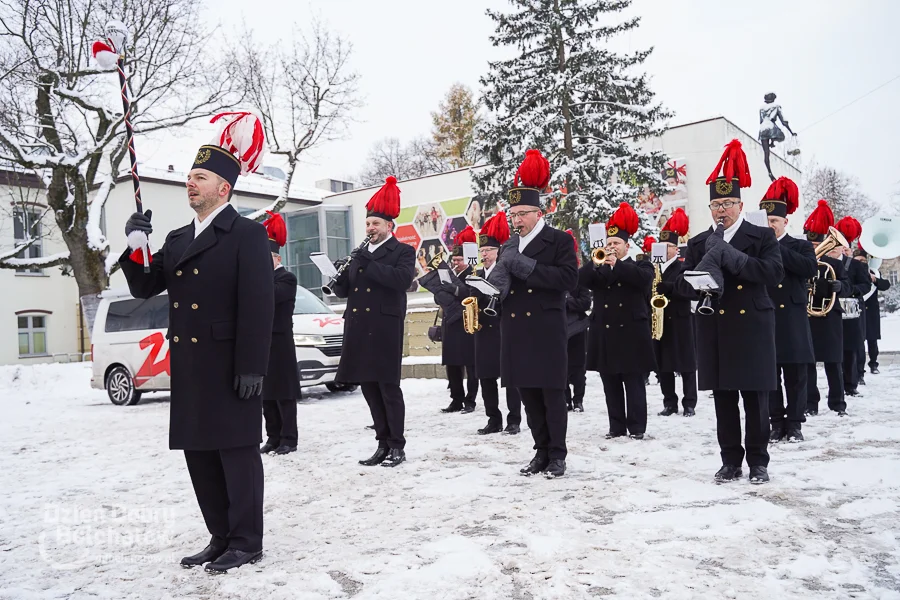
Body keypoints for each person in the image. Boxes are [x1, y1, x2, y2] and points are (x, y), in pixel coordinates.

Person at [120, 113, 274, 573]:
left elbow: (258, 306)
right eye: (189, 177)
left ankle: (247, 540)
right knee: (199, 452)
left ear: (223, 188)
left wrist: (252, 365)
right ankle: (220, 534)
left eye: (199, 178)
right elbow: (145, 285)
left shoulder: (247, 233)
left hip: (230, 364)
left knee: (236, 454)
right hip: (190, 364)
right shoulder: (179, 237)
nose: (190, 184)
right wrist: (134, 245)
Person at [680, 139, 784, 484]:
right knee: (724, 398)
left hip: (752, 324)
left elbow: (772, 274)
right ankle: (730, 461)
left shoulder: (761, 236)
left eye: (727, 203)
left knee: (755, 398)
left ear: (740, 204)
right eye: (715, 205)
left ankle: (758, 461)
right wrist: (696, 282)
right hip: (715, 326)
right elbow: (682, 285)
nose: (720, 210)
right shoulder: (698, 242)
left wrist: (733, 257)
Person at [496, 149, 577, 478]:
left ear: (538, 212)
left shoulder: (558, 240)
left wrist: (527, 267)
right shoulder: (507, 246)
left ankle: (557, 453)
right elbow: (504, 281)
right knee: (528, 394)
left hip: (545, 329)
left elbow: (567, 279)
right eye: (512, 215)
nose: (517, 220)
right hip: (515, 331)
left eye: (523, 214)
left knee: (551, 395)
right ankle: (540, 450)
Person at [332, 177, 417, 468]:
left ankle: (397, 446)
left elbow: (402, 280)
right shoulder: (359, 255)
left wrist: (367, 264)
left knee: (388, 388)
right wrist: (337, 277)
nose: (370, 229)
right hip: (358, 328)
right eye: (368, 224)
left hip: (384, 328)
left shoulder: (402, 252)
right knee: (368, 388)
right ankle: (381, 443)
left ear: (389, 227)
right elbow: (346, 291)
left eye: (376, 224)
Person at [580, 202, 656, 439]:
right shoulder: (598, 269)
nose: (611, 248)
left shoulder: (639, 264)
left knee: (633, 382)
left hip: (632, 333)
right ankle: (616, 426)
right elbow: (579, 280)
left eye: (616, 244)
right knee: (609, 382)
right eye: (609, 244)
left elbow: (644, 280)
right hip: (605, 333)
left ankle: (636, 428)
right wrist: (595, 262)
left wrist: (618, 265)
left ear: (626, 246)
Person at [760, 178, 817, 443]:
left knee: (796, 375)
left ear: (784, 223)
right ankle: (775, 422)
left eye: (775, 221)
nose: (770, 225)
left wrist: (776, 247)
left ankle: (795, 423)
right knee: (770, 375)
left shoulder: (800, 245)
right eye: (767, 221)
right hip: (766, 315)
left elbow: (809, 269)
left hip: (792, 317)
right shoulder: (756, 247)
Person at [470, 211, 522, 435]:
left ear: (499, 251)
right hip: (483, 331)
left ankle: (514, 419)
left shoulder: (507, 271)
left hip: (503, 329)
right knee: (486, 377)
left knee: (510, 378)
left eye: (489, 250)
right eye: (482, 250)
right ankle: (493, 419)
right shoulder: (477, 273)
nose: (485, 254)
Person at [420, 226, 479, 414]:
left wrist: (453, 289)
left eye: (460, 259)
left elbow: (471, 294)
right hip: (450, 323)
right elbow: (438, 297)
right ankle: (456, 399)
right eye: (454, 260)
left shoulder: (473, 274)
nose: (456, 263)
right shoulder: (445, 273)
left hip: (466, 323)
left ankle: (470, 400)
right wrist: (440, 293)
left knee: (470, 364)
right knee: (452, 364)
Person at [259, 212, 301, 455]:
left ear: (275, 259)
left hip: (281, 341)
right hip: (263, 342)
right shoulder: (263, 279)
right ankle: (273, 436)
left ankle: (289, 438)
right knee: (266, 394)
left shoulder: (286, 278)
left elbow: (270, 296)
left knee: (284, 394)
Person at [804, 200, 851, 417]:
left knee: (834, 362)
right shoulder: (801, 262)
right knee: (808, 365)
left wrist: (839, 286)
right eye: (812, 247)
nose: (815, 250)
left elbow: (848, 285)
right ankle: (811, 403)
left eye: (817, 246)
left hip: (829, 316)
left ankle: (838, 404)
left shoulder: (836, 264)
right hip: (807, 317)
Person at [652, 208, 699, 418]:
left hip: (680, 320)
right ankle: (669, 402)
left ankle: (689, 403)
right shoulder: (654, 268)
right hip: (660, 321)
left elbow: (691, 291)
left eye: (668, 246)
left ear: (675, 250)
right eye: (661, 245)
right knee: (664, 365)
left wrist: (669, 288)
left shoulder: (683, 267)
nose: (664, 249)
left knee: (687, 364)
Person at [835, 217, 871, 397]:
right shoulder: (827, 263)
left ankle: (851, 384)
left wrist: (850, 290)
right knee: (835, 350)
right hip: (833, 310)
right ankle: (837, 385)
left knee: (850, 349)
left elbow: (866, 285)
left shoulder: (856, 265)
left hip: (851, 310)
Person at [564, 229, 592, 413]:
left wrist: (567, 301)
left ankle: (578, 399)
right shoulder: (557, 277)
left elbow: (585, 302)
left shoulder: (580, 278)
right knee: (562, 368)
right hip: (561, 328)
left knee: (578, 368)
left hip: (578, 329)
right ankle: (565, 399)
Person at [856, 249, 892, 375]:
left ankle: (873, 364)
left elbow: (885, 285)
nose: (862, 263)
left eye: (864, 260)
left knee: (872, 339)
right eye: (859, 260)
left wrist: (875, 280)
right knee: (858, 341)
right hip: (858, 309)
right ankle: (859, 368)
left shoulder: (874, 272)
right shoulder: (852, 271)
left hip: (871, 311)